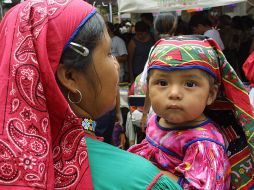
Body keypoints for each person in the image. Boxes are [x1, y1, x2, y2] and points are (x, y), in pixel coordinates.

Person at [0, 0, 183, 189]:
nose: (115, 64)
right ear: (70, 77)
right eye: (108, 53)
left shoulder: (13, 160)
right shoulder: (141, 180)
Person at [129, 36, 254, 189]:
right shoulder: (156, 119)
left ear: (211, 94)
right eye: (162, 83)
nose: (174, 93)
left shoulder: (204, 145)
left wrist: (147, 172)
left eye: (190, 84)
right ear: (148, 88)